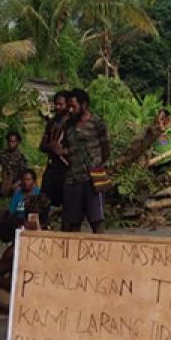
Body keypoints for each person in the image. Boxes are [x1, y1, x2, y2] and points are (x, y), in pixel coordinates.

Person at [58, 88, 111, 233]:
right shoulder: (68, 125)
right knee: (73, 223)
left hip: (93, 179)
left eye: (73, 106)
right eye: (69, 106)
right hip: (72, 180)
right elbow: (65, 148)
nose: (70, 110)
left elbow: (106, 148)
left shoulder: (97, 123)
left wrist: (97, 165)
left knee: (97, 221)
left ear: (84, 105)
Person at [38, 91, 70, 209]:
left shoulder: (72, 124)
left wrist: (64, 151)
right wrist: (50, 147)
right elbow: (42, 145)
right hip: (52, 166)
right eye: (56, 104)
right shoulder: (51, 123)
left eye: (61, 104)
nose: (57, 107)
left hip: (66, 167)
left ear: (68, 105)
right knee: (44, 200)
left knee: (66, 202)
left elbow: (79, 148)